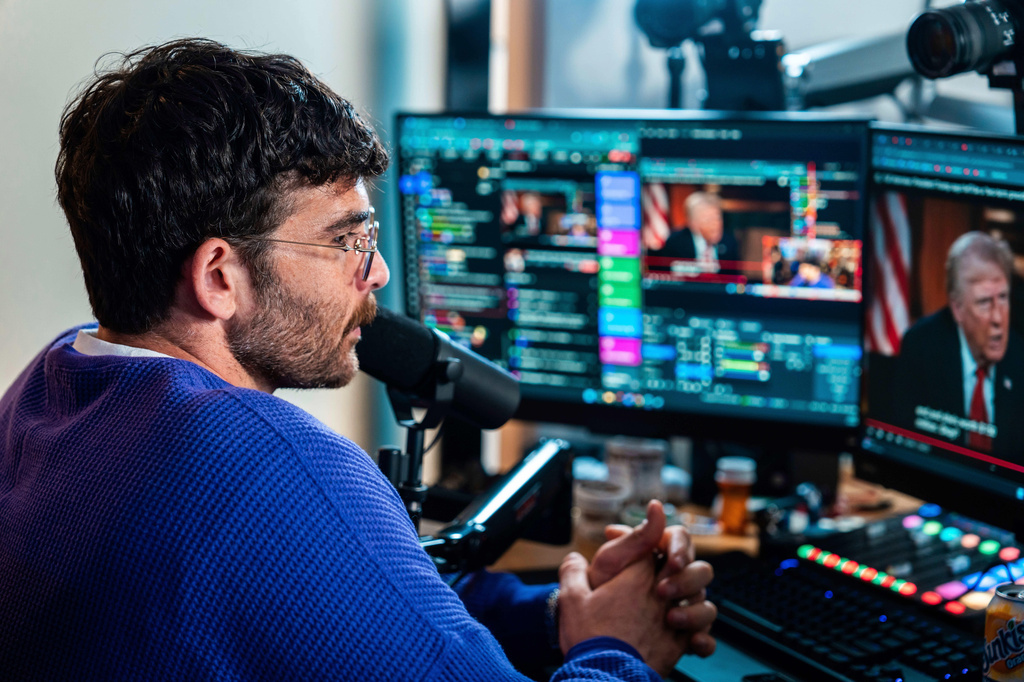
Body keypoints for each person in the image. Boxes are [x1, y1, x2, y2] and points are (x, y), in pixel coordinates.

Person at [0, 39, 716, 680]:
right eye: (346, 240)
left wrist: (560, 619)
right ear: (220, 276)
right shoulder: (269, 467)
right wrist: (615, 650)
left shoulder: (55, 382)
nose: (376, 275)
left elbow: (353, 604)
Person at [895, 231, 1024, 459]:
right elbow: (909, 449)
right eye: (984, 302)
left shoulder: (1019, 357)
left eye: (1003, 298)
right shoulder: (921, 348)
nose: (998, 319)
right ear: (957, 308)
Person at [657, 192, 738, 269]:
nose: (716, 224)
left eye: (717, 218)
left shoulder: (729, 242)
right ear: (693, 223)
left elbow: (734, 278)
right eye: (709, 219)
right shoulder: (675, 243)